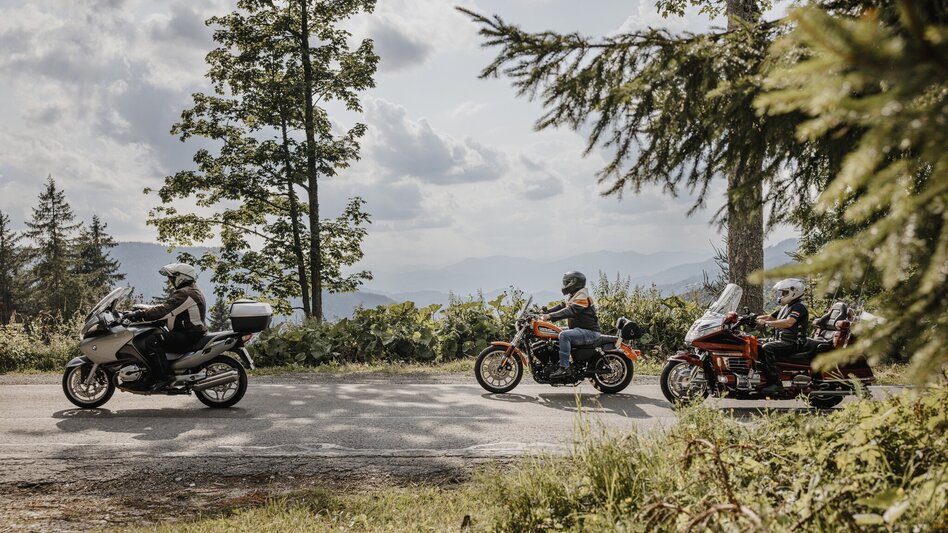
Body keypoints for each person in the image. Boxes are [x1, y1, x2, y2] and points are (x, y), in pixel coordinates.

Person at [125, 263, 208, 390]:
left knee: (152, 341)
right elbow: (172, 311)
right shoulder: (191, 291)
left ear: (181, 277)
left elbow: (164, 310)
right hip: (190, 332)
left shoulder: (185, 293)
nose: (171, 281)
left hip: (189, 334)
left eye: (172, 278)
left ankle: (163, 377)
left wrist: (137, 315)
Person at [541, 271, 601, 379]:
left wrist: (550, 317)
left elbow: (570, 311)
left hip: (590, 332)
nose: (565, 285)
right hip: (580, 329)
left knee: (564, 335)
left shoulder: (582, 296)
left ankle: (564, 368)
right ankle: (555, 362)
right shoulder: (574, 296)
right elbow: (562, 306)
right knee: (555, 331)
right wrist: (545, 312)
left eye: (567, 282)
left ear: (574, 283)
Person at [755, 278, 809, 396]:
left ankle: (775, 384)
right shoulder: (787, 306)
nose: (782, 295)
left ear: (794, 291)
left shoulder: (799, 307)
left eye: (784, 293)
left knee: (767, 348)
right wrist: (752, 319)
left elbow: (788, 322)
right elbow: (770, 317)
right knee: (756, 343)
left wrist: (767, 323)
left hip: (794, 342)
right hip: (783, 340)